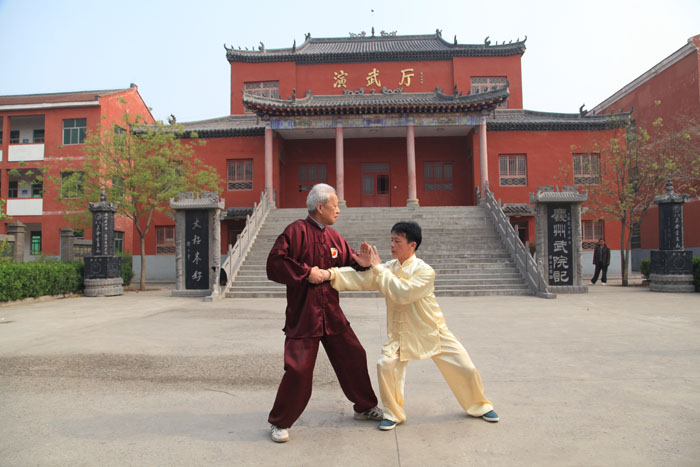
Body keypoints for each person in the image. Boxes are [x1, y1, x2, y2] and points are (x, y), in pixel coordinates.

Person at [319, 221, 498, 431]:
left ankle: (479, 405)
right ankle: (393, 413)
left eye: (397, 241)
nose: (392, 245)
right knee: (385, 365)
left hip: (432, 331)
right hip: (400, 334)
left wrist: (377, 269)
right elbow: (361, 278)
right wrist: (329, 274)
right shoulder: (387, 268)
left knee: (465, 367)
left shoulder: (425, 271)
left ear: (412, 245)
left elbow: (402, 293)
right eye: (391, 240)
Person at [266, 183, 382, 443]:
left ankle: (364, 407)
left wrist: (363, 264)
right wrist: (306, 272)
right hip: (304, 315)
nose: (338, 210)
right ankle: (280, 422)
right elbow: (275, 262)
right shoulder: (295, 232)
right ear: (320, 207)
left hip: (331, 312)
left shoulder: (334, 237)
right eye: (335, 206)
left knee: (354, 355)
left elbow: (349, 260)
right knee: (298, 369)